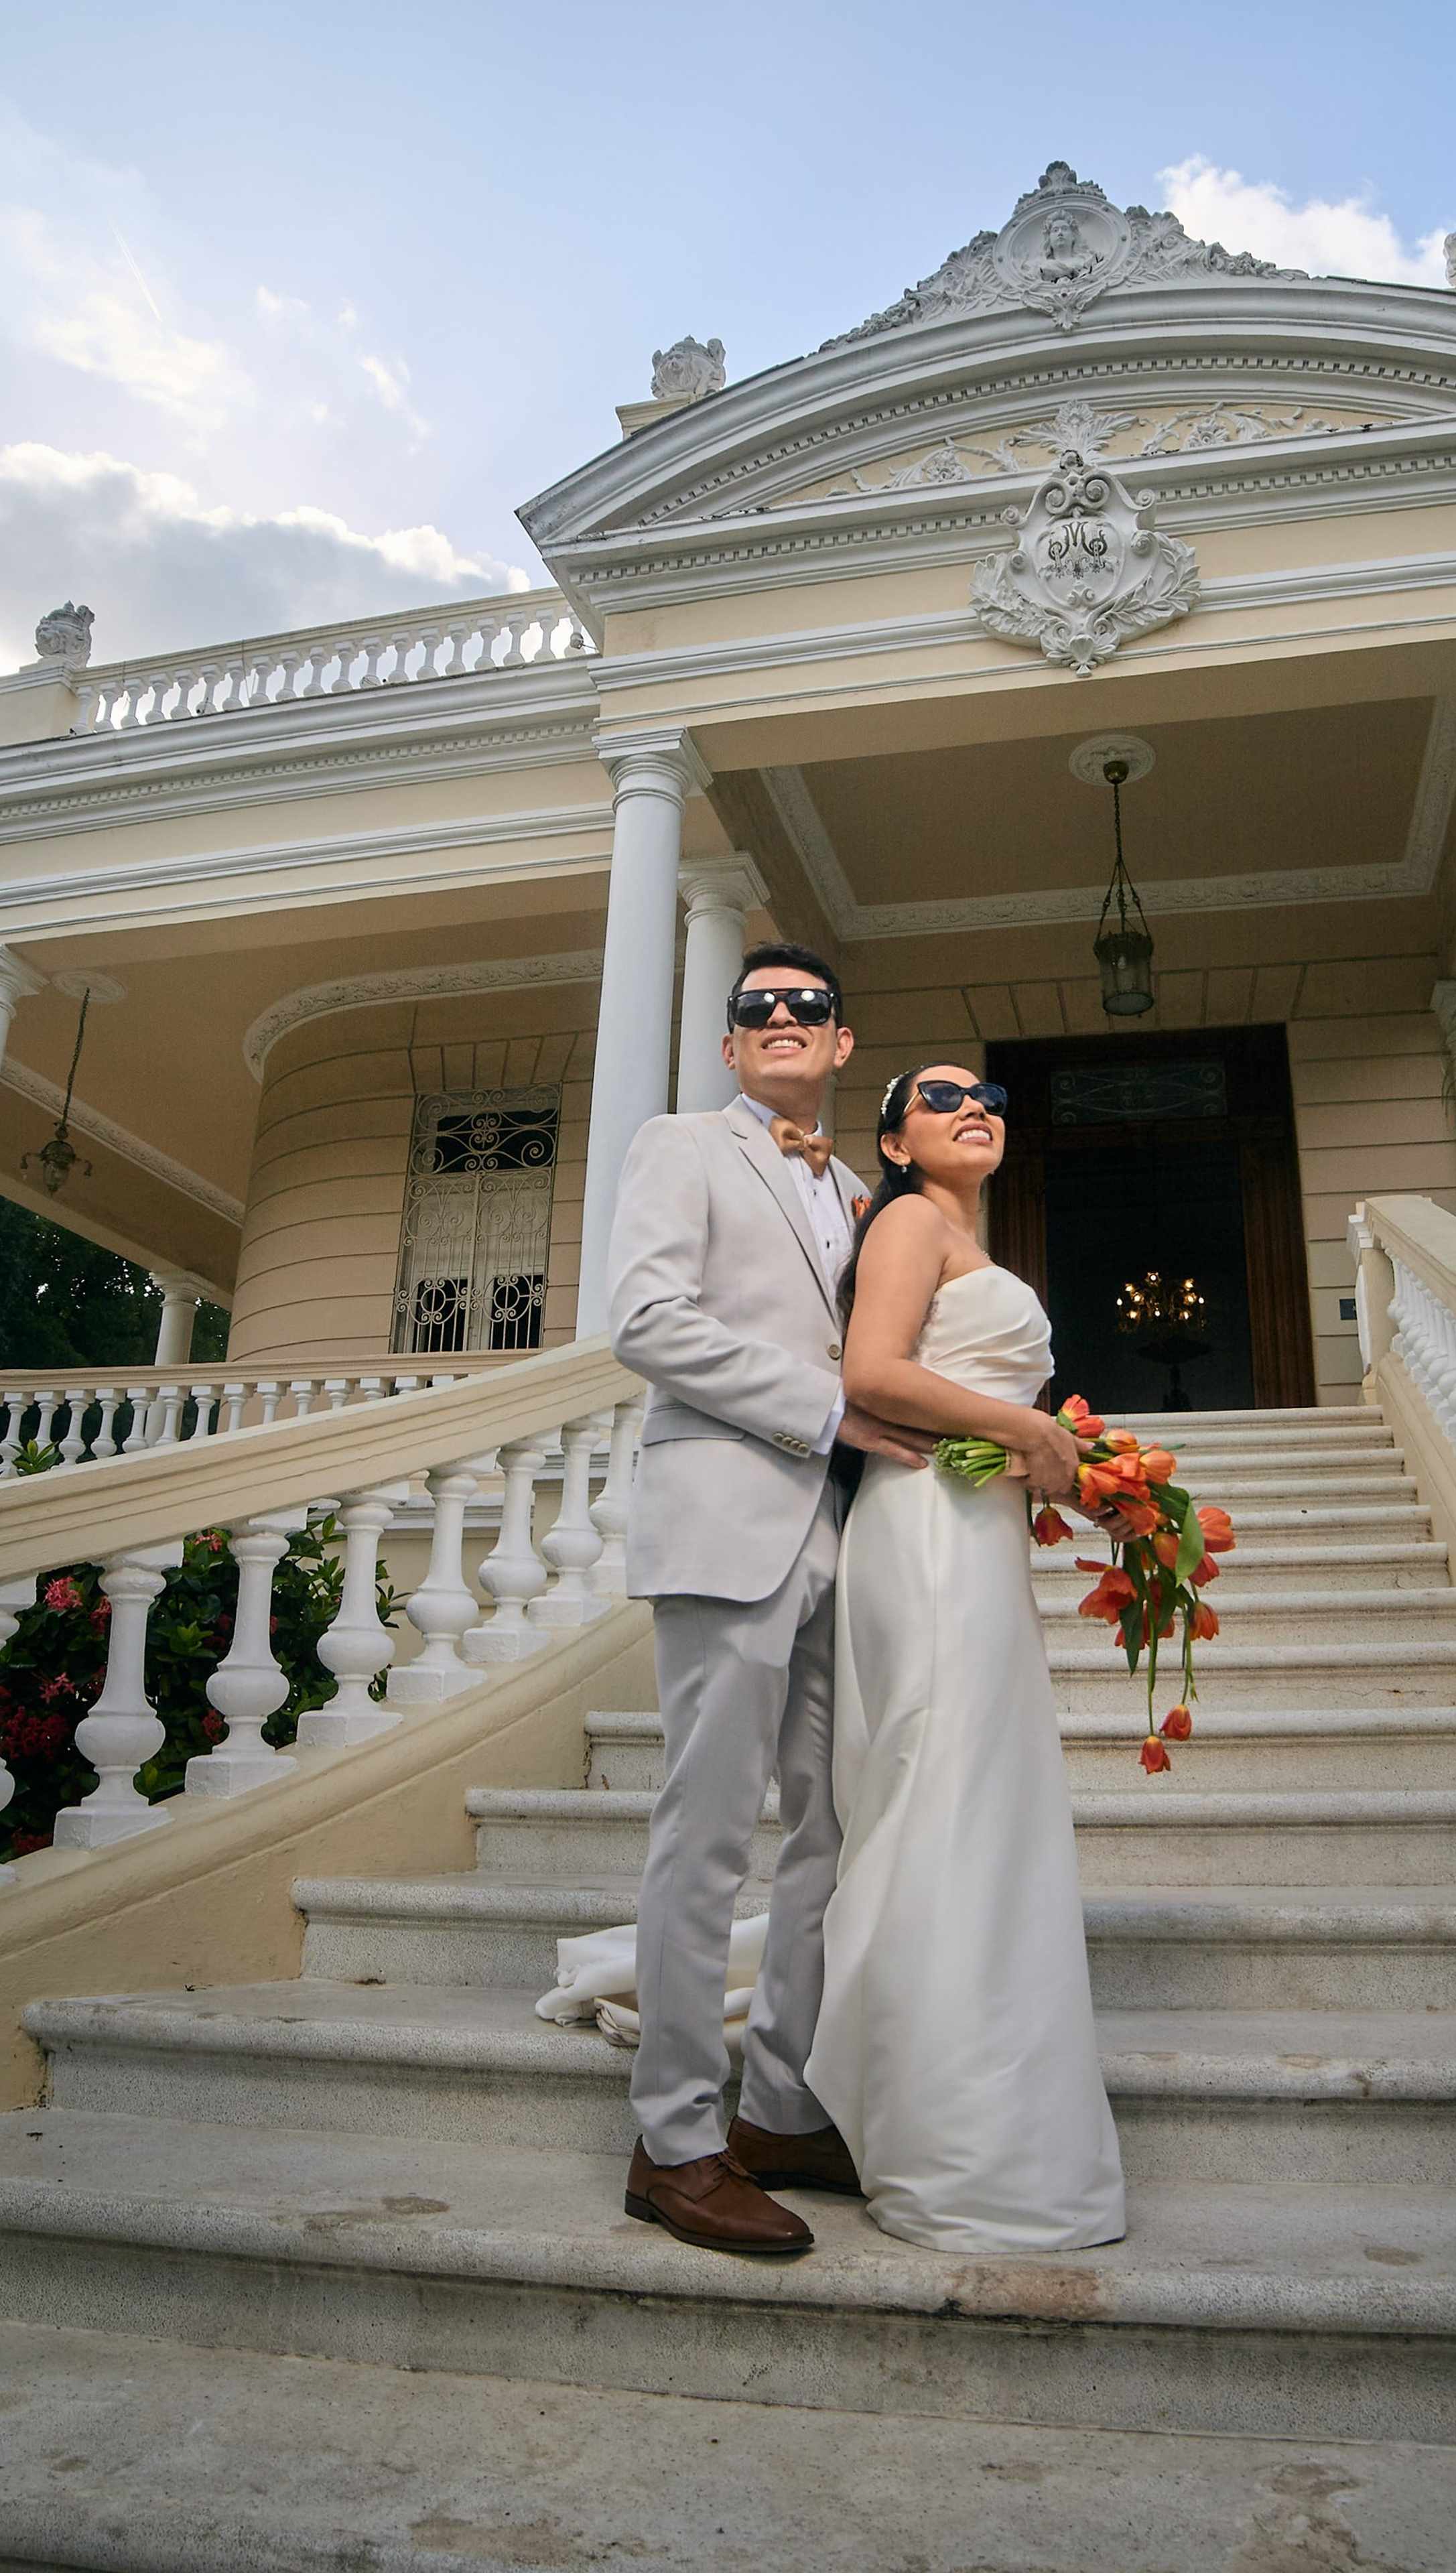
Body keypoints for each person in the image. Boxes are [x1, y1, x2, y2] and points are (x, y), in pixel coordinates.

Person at [606, 944, 932, 2255]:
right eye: (758, 1009)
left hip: (848, 1537)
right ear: (734, 1043)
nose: (783, 1018)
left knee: (831, 1835)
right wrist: (824, 1409)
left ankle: (780, 2109)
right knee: (707, 1835)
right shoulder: (680, 1146)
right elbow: (645, 1320)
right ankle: (673, 2139)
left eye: (808, 1006)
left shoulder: (864, 1195)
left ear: (841, 1043)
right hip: (726, 1524)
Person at [803, 1063, 1127, 2251]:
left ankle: (986, 2093)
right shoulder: (905, 1222)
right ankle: (946, 2127)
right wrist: (1028, 1425)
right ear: (894, 1142)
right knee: (943, 1788)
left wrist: (1076, 1472)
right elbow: (872, 1375)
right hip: (928, 1531)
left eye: (987, 1093)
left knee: (983, 1798)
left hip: (977, 1529)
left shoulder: (964, 1239)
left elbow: (965, 1400)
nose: (973, 1106)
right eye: (939, 1099)